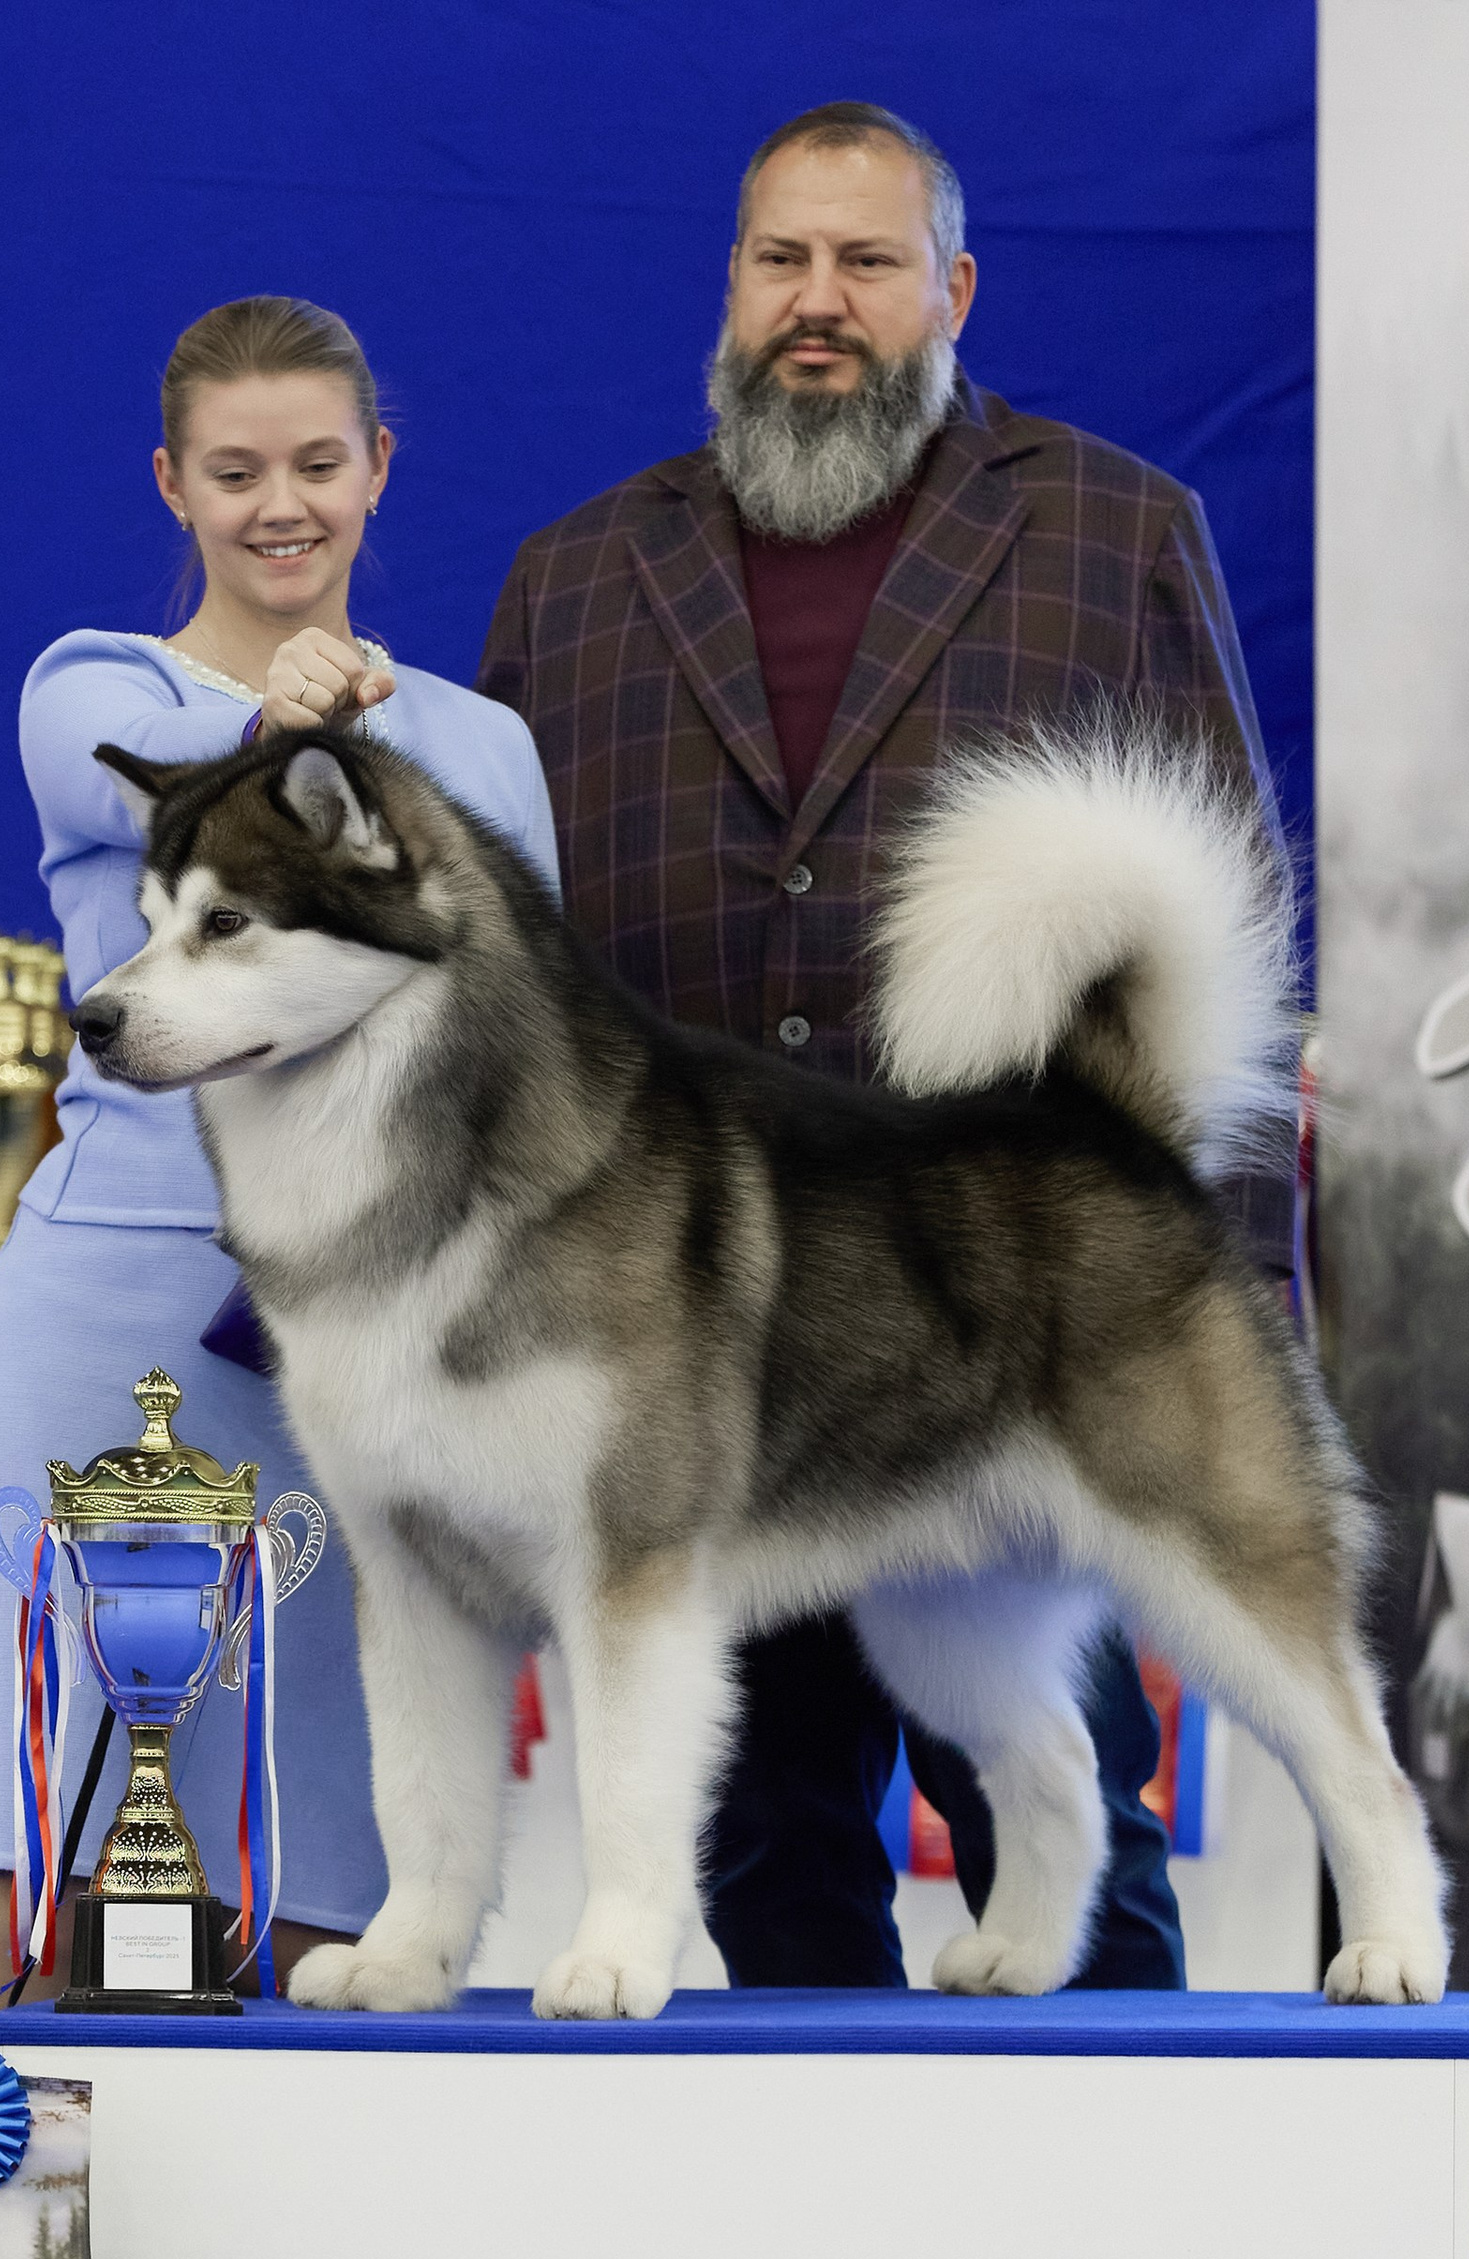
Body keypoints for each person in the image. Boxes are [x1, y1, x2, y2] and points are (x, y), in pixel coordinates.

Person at [480, 103, 1293, 1993]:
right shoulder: (573, 581)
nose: (819, 305)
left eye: (866, 262)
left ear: (955, 290)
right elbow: (506, 1007)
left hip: (1007, 1346)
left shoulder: (1116, 535)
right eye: (782, 260)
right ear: (732, 286)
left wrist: (1225, 1318)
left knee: (1070, 1834)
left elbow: (1225, 958)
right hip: (690, 1363)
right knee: (763, 1854)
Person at [0, 296, 558, 2046]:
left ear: (379, 471)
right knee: (44, 1876)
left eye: (319, 465)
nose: (284, 505)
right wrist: (287, 727)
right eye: (238, 471)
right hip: (116, 1328)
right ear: (173, 485)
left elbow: (533, 1054)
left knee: (332, 1886)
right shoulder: (91, 691)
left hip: (364, 1361)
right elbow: (206, 807)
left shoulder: (485, 748)